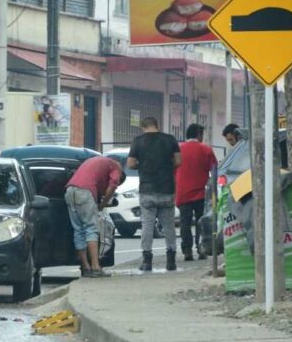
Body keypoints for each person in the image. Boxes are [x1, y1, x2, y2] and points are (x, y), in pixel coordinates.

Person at [127, 117, 181, 272]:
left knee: (147, 226)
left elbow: (130, 163)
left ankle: (147, 260)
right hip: (166, 188)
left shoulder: (138, 141)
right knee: (169, 225)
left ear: (143, 127)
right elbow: (178, 161)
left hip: (147, 189)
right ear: (157, 125)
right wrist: (165, 164)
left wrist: (142, 165)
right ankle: (171, 261)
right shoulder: (170, 139)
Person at [64, 156, 124, 278]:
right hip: (85, 192)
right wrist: (102, 204)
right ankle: (96, 267)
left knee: (79, 230)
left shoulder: (97, 161)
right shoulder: (116, 168)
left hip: (70, 191)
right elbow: (112, 187)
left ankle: (86, 267)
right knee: (91, 229)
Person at [176, 123, 217, 261]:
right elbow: (215, 170)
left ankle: (187, 250)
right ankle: (201, 249)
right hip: (201, 192)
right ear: (199, 135)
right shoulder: (206, 149)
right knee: (202, 222)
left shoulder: (178, 149)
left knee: (185, 223)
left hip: (182, 192)